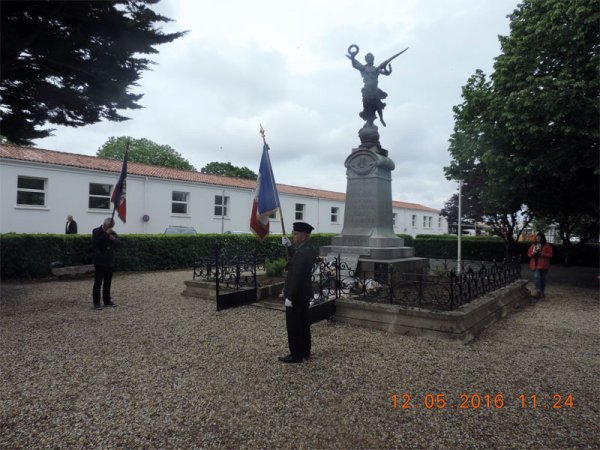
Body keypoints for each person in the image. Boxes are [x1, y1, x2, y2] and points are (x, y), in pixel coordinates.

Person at [279, 222, 318, 363]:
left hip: (297, 295)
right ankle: (305, 352)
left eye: (295, 234)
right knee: (303, 324)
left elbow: (297, 276)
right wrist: (289, 246)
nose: (293, 236)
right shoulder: (308, 249)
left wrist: (290, 296)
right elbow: (296, 259)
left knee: (294, 326)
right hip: (304, 295)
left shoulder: (303, 252)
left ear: (303, 236)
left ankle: (296, 355)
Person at [91, 217, 120, 310]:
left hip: (109, 261)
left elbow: (119, 244)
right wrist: (105, 235)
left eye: (112, 226)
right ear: (104, 224)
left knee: (108, 283)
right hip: (99, 261)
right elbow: (95, 243)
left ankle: (107, 301)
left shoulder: (113, 233)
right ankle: (96, 303)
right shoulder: (96, 231)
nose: (110, 228)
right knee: (98, 283)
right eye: (109, 226)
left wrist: (114, 240)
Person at [527, 232, 553, 298]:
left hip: (544, 265)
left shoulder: (547, 246)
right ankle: (538, 291)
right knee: (537, 277)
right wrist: (533, 253)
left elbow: (550, 254)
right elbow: (529, 254)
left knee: (542, 279)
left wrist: (543, 254)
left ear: (542, 238)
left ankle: (542, 292)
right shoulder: (533, 245)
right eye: (537, 237)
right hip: (535, 264)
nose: (537, 238)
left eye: (539, 237)